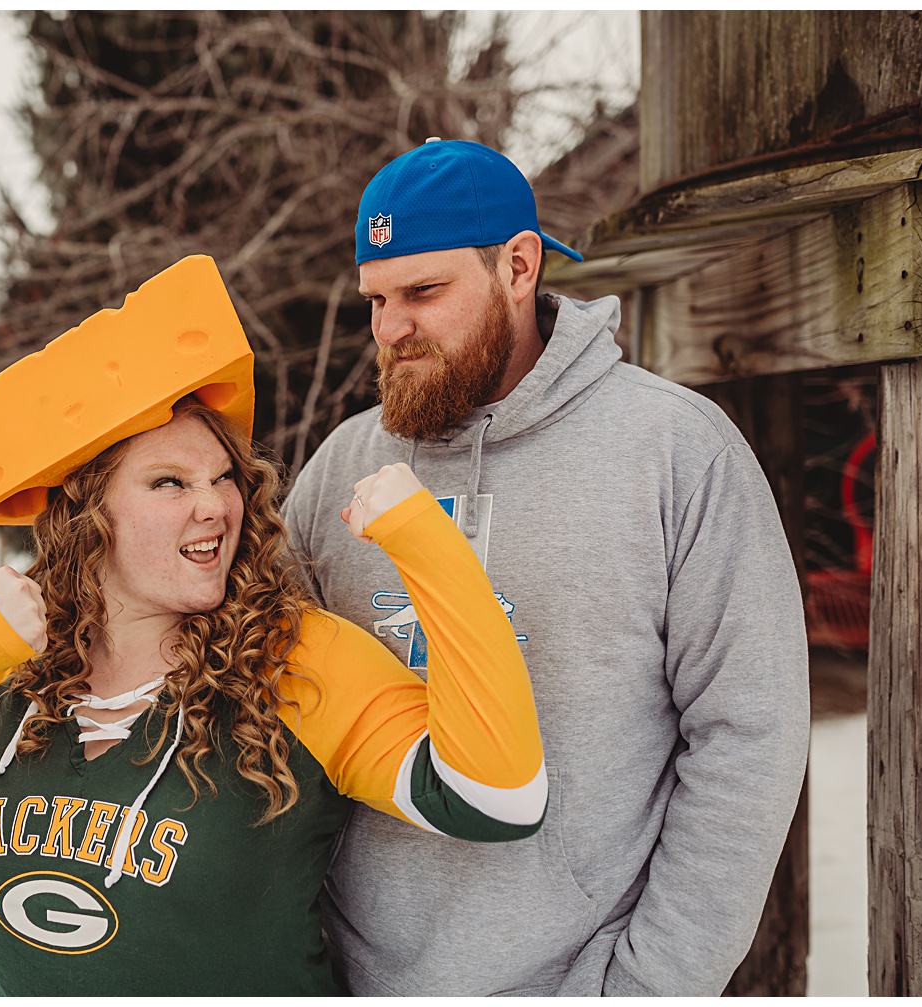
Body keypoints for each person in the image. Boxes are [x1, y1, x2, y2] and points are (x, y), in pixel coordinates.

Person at [0, 255, 548, 995]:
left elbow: (494, 796)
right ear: (88, 515)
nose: (215, 505)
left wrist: (426, 545)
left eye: (223, 478)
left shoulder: (296, 660)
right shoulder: (0, 675)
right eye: (169, 482)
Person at [282, 140, 809, 995]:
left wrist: (644, 988)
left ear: (518, 266)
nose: (389, 329)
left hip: (575, 977)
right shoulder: (342, 465)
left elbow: (749, 739)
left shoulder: (675, 452)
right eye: (375, 298)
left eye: (423, 291)